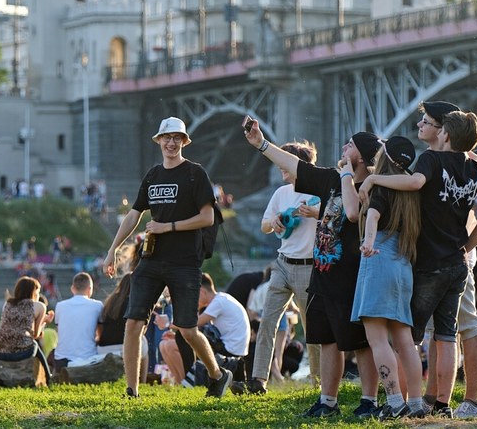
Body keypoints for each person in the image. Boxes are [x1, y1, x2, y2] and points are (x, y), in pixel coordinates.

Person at [245, 119, 382, 419]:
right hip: (322, 275)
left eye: (350, 145)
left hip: (352, 276)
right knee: (326, 339)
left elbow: (352, 213)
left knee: (359, 343)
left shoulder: (372, 186)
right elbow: (296, 166)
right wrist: (262, 144)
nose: (344, 147)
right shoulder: (332, 178)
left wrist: (347, 176)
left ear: (360, 156)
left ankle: (369, 400)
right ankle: (327, 401)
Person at [362, 104, 477, 419]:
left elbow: (416, 183)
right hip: (457, 263)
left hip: (429, 262)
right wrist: (467, 245)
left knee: (411, 336)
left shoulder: (431, 160)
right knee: (447, 335)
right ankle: (443, 405)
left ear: (445, 134)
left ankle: (405, 402)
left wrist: (375, 180)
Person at [101, 117, 231, 399]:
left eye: (177, 138)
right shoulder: (153, 175)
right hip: (151, 260)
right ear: (159, 141)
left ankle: (218, 375)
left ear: (184, 142)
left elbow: (207, 217)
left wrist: (167, 227)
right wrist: (112, 250)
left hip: (185, 262)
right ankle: (131, 391)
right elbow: (134, 215)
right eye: (166, 138)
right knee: (133, 323)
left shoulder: (195, 173)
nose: (171, 143)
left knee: (187, 329)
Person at [352, 136, 428, 419]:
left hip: (379, 259)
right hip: (403, 265)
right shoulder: (410, 192)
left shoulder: (381, 184)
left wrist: (368, 243)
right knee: (405, 341)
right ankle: (417, 403)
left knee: (377, 339)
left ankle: (395, 402)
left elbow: (371, 217)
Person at [248, 141, 321, 395]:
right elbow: (264, 225)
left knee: (311, 327)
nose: (280, 167)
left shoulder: (320, 191)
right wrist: (275, 222)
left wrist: (314, 213)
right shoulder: (280, 193)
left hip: (308, 268)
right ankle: (258, 381)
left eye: (284, 163)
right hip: (281, 264)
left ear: (298, 164)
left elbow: (335, 217)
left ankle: (319, 384)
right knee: (267, 321)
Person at [162, 273, 250, 387]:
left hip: (230, 352)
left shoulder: (219, 301)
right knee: (165, 345)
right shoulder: (222, 299)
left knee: (178, 340)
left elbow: (192, 324)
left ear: (202, 291)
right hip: (228, 346)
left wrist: (167, 323)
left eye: (194, 295)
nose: (193, 299)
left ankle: (190, 383)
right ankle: (181, 383)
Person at [0, 276, 54, 380]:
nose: (38, 295)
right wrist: (45, 321)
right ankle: (48, 378)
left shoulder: (7, 304)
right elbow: (36, 335)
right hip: (21, 353)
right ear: (33, 292)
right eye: (38, 292)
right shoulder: (39, 306)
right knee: (33, 344)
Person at [51, 272, 103, 370]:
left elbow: (59, 332)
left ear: (72, 288)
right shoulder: (98, 306)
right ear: (90, 289)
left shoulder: (60, 306)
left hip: (62, 359)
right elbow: (101, 335)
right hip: (88, 358)